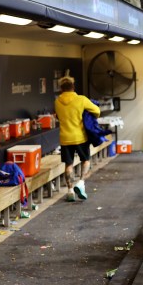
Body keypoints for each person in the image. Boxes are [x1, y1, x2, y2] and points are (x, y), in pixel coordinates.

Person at [54, 72, 100, 202]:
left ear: (61, 88)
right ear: (73, 86)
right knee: (85, 160)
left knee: (68, 164)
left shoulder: (57, 102)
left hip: (65, 138)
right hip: (80, 137)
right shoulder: (81, 99)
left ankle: (69, 191)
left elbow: (58, 116)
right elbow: (97, 111)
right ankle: (81, 182)